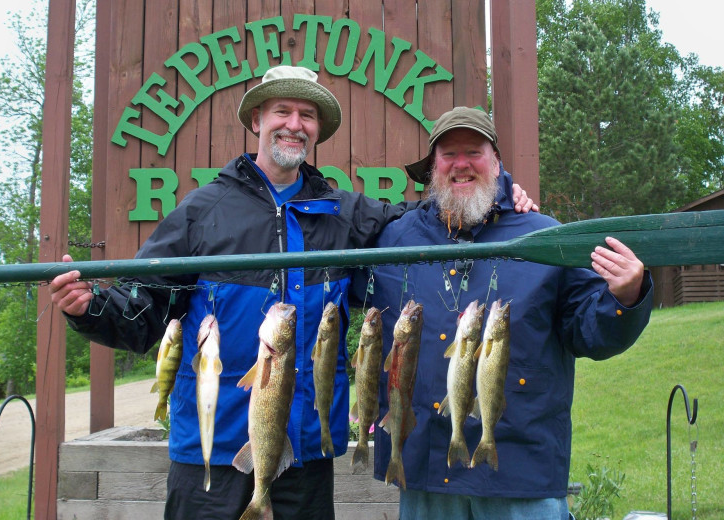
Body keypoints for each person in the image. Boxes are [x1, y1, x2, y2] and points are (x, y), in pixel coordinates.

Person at [49, 68, 535, 520]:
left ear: (317, 131)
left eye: (307, 116)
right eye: (282, 112)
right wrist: (90, 307)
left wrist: (503, 190)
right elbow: (145, 309)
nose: (294, 125)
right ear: (257, 120)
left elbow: (433, 213)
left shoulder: (344, 213)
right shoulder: (201, 212)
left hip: (304, 454)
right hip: (211, 453)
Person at [365, 106, 653, 519]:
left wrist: (627, 297)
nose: (461, 164)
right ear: (432, 168)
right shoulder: (394, 240)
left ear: (497, 162)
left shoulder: (545, 238)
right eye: (448, 154)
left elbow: (591, 331)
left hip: (521, 477)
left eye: (474, 152)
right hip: (426, 475)